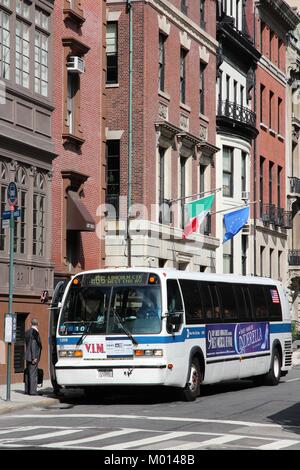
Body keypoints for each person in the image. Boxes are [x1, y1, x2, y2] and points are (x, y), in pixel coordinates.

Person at [24, 318, 42, 395]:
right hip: (32, 356)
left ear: (31, 324)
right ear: (37, 324)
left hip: (28, 355)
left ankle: (27, 390)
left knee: (28, 373)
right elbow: (33, 345)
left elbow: (28, 344)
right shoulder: (35, 332)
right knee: (33, 374)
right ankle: (33, 391)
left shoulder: (27, 332)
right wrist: (34, 357)